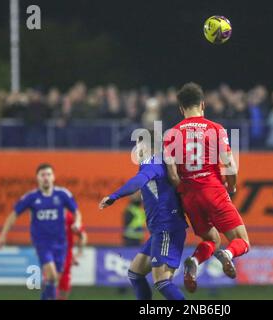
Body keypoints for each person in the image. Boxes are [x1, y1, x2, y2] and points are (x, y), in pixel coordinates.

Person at [163, 82, 250, 293]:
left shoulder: (171, 134)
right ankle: (227, 255)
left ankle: (193, 261)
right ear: (203, 104)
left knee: (212, 239)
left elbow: (172, 174)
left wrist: (184, 191)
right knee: (241, 240)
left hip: (190, 196)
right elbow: (230, 165)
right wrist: (232, 186)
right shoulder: (215, 129)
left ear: (181, 108)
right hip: (213, 189)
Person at [99, 132, 188, 300]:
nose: (136, 150)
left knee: (161, 281)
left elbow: (138, 181)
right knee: (135, 273)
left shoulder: (152, 162)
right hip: (160, 230)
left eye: (139, 146)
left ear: (148, 147)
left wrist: (114, 196)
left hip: (166, 228)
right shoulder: (160, 162)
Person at [0, 163, 82, 300]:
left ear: (53, 177)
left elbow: (76, 212)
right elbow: (12, 216)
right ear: (37, 178)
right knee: (52, 275)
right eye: (42, 175)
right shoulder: (31, 197)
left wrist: (77, 222)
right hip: (42, 243)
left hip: (61, 244)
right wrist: (2, 236)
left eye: (48, 174)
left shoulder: (62, 194)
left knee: (53, 280)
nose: (46, 177)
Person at [58, 211, 87, 300]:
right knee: (54, 280)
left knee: (59, 282)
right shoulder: (68, 215)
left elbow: (83, 235)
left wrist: (79, 253)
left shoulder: (68, 216)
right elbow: (83, 236)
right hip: (57, 253)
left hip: (63, 254)